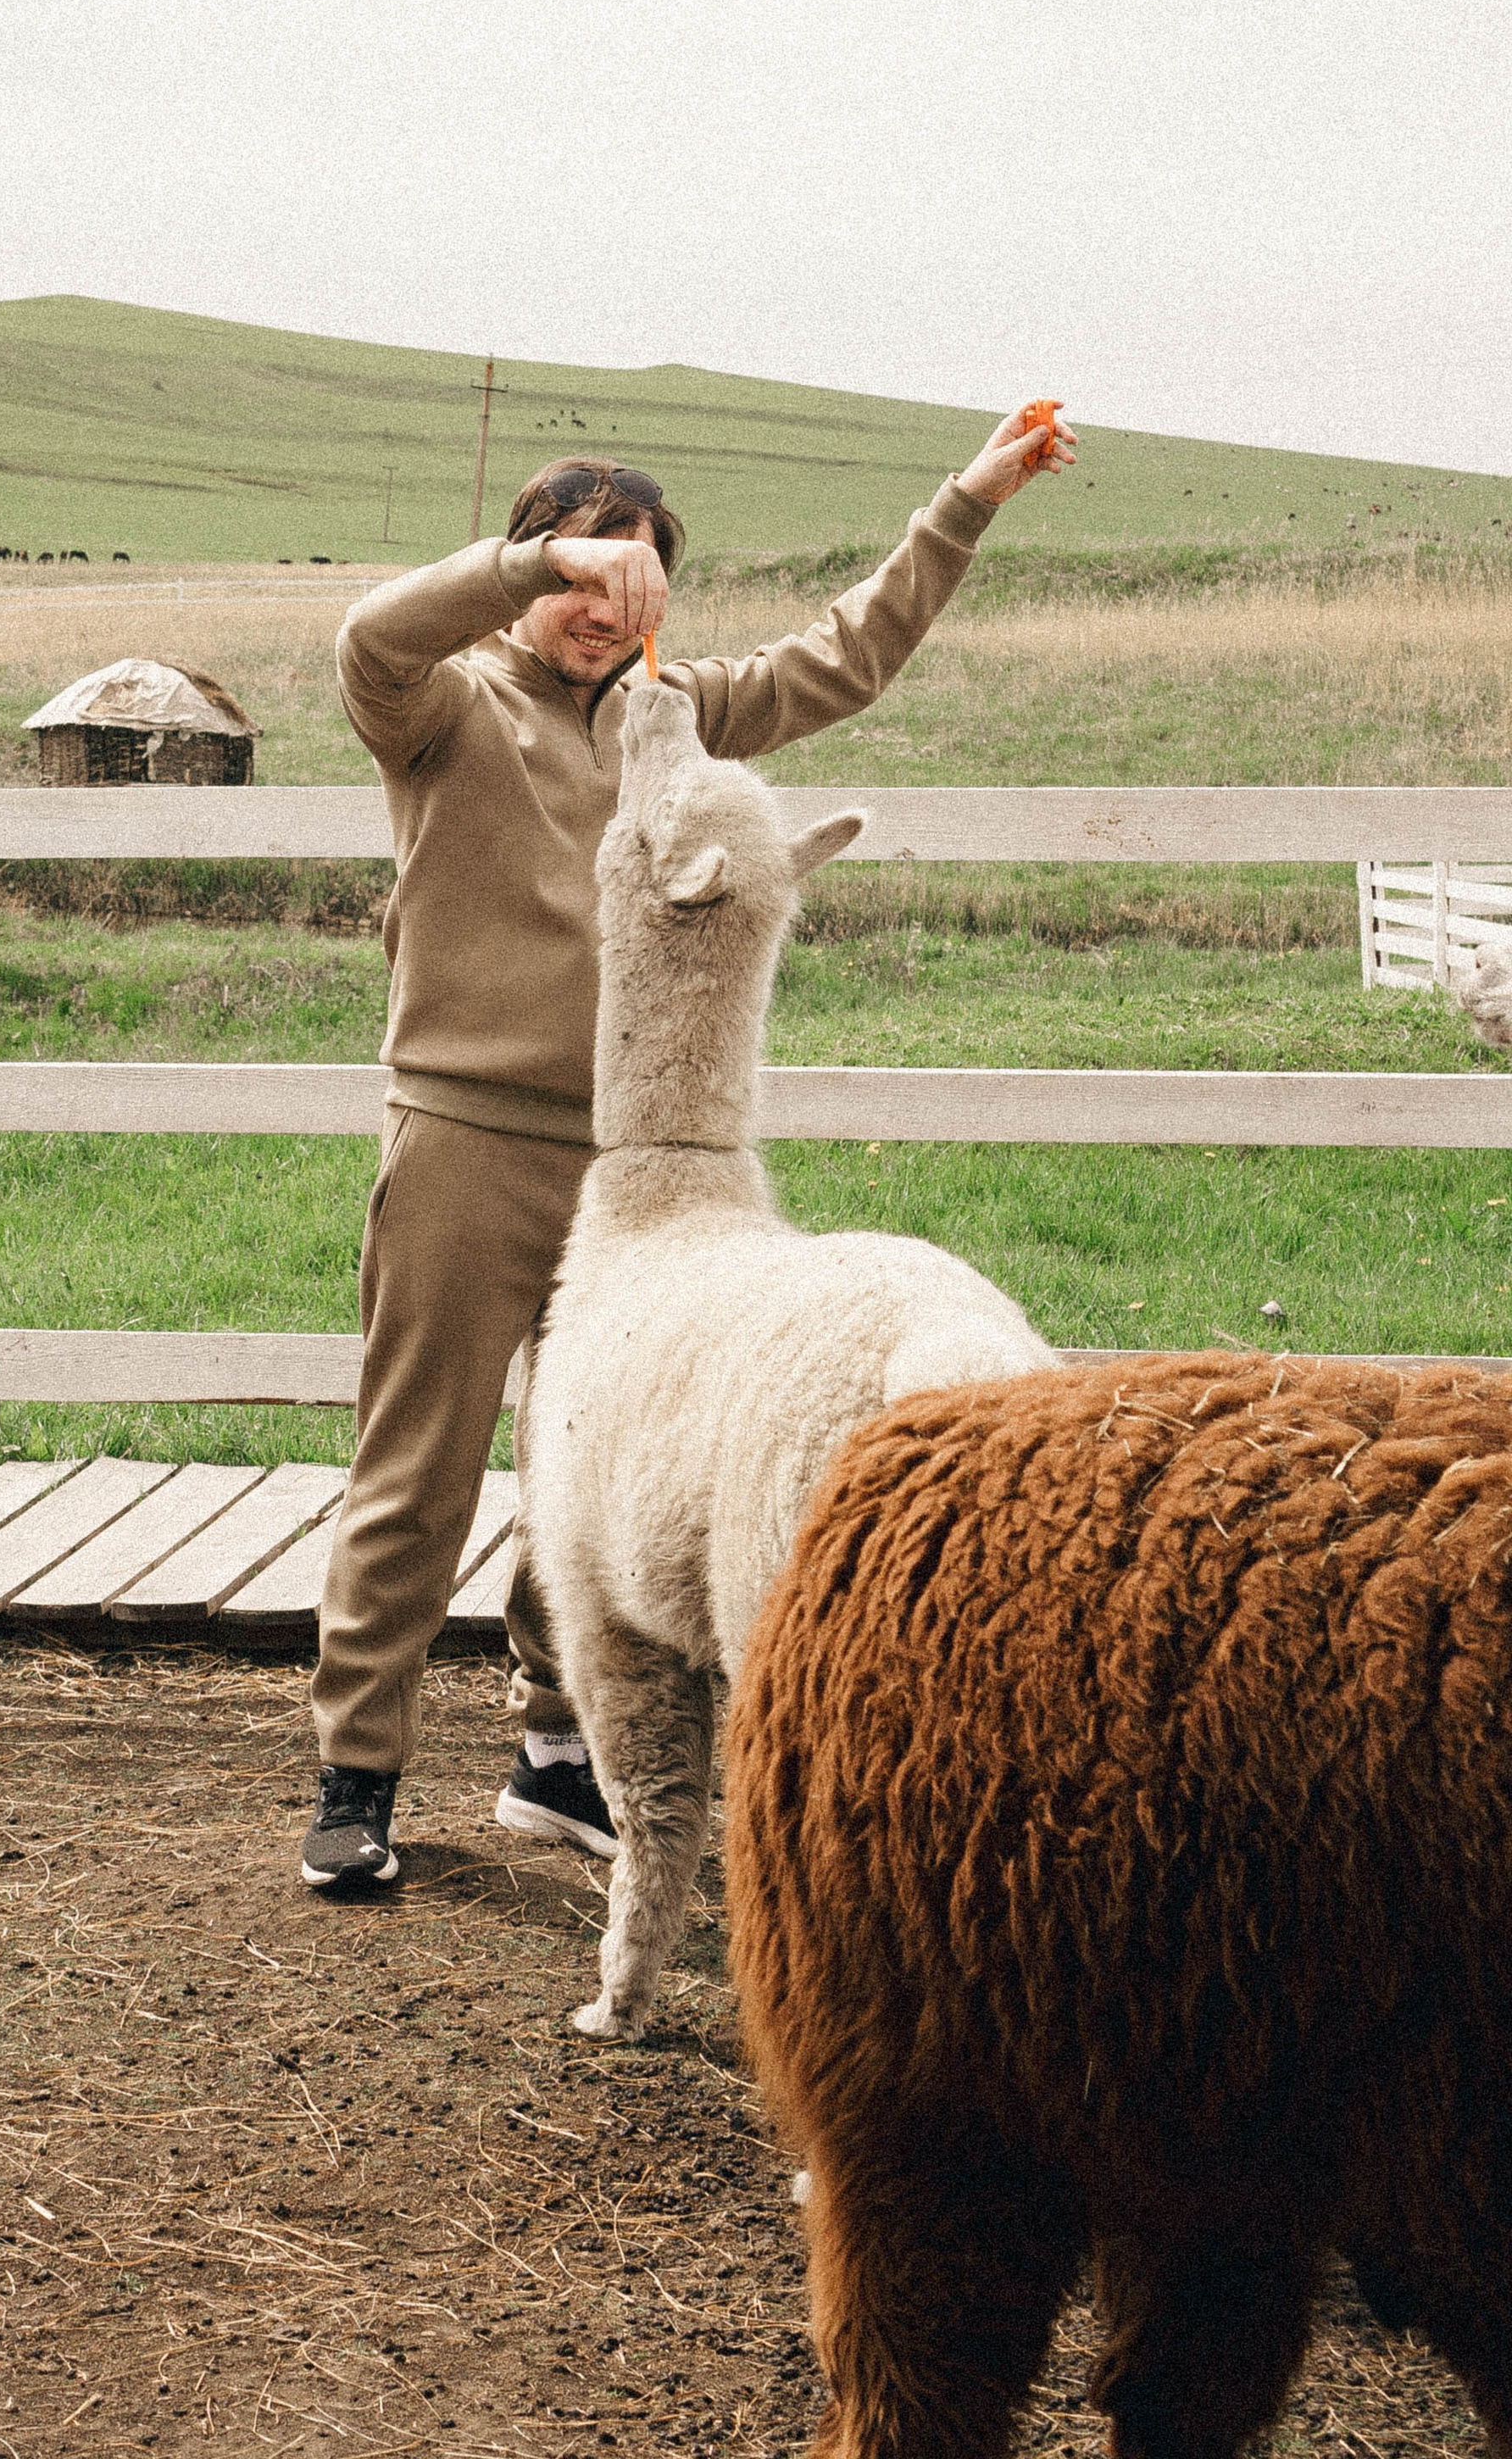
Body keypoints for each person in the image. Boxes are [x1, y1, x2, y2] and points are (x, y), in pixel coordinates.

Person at [299, 399, 1077, 1890]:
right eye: (579, 579)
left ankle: (557, 1752)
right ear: (536, 571)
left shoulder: (684, 718)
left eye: (633, 581)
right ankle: (359, 1777)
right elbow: (369, 638)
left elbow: (848, 655)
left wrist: (968, 496)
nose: (600, 613)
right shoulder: (447, 706)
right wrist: (530, 569)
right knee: (422, 1464)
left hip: (639, 1174)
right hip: (467, 1139)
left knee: (586, 1464)